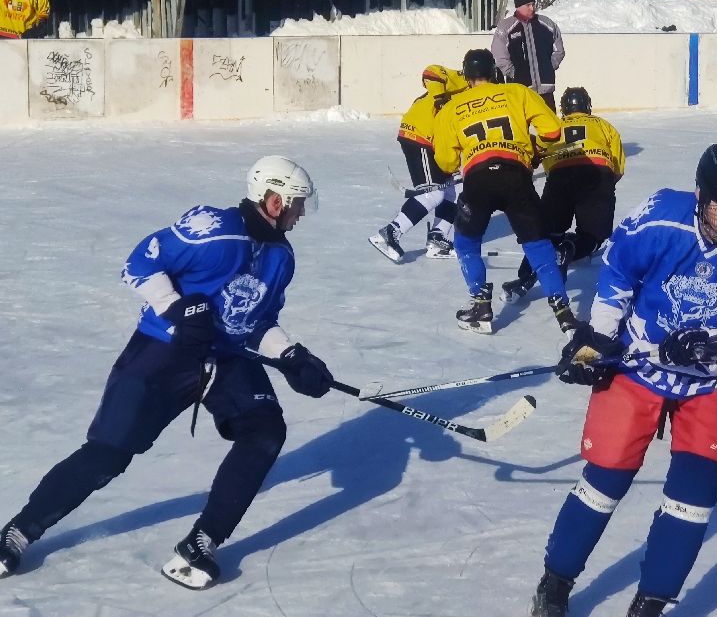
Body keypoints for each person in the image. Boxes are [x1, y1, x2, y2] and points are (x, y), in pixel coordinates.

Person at [0, 156, 334, 589]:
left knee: (266, 431)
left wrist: (292, 355)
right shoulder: (213, 227)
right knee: (108, 454)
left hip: (227, 357)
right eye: (296, 204)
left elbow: (255, 320)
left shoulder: (281, 258)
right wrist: (177, 307)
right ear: (273, 201)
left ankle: (201, 544)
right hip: (163, 350)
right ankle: (19, 532)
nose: (301, 213)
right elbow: (139, 264)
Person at [529, 144, 717, 617]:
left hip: (712, 386)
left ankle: (651, 601)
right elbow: (618, 272)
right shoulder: (662, 214)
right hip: (638, 368)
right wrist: (596, 338)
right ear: (700, 195)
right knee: (606, 478)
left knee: (695, 493)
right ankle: (555, 582)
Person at [433, 48, 575, 335]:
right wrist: (535, 150)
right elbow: (551, 132)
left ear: (467, 76)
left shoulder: (451, 108)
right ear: (494, 72)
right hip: (516, 176)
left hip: (478, 180)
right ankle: (564, 311)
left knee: (465, 243)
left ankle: (480, 304)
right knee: (538, 246)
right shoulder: (517, 93)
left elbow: (446, 162)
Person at [501, 86, 625, 304]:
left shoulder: (556, 125)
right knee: (593, 235)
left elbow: (538, 154)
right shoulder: (604, 125)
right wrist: (604, 191)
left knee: (546, 234)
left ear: (564, 108)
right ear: (587, 106)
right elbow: (618, 166)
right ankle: (569, 249)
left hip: (560, 176)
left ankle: (524, 279)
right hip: (596, 173)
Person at [369, 63, 468, 263]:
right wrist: (440, 99)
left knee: (456, 190)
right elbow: (431, 72)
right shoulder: (463, 79)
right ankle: (388, 233)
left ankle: (437, 239)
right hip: (419, 134)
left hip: (436, 141)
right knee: (433, 193)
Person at [491, 0, 565, 112]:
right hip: (519, 91)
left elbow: (558, 51)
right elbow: (499, 55)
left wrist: (548, 67)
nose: (532, 8)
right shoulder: (505, 27)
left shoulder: (547, 24)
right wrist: (513, 73)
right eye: (528, 5)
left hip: (545, 91)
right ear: (518, 6)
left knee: (552, 127)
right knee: (520, 128)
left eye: (533, 4)